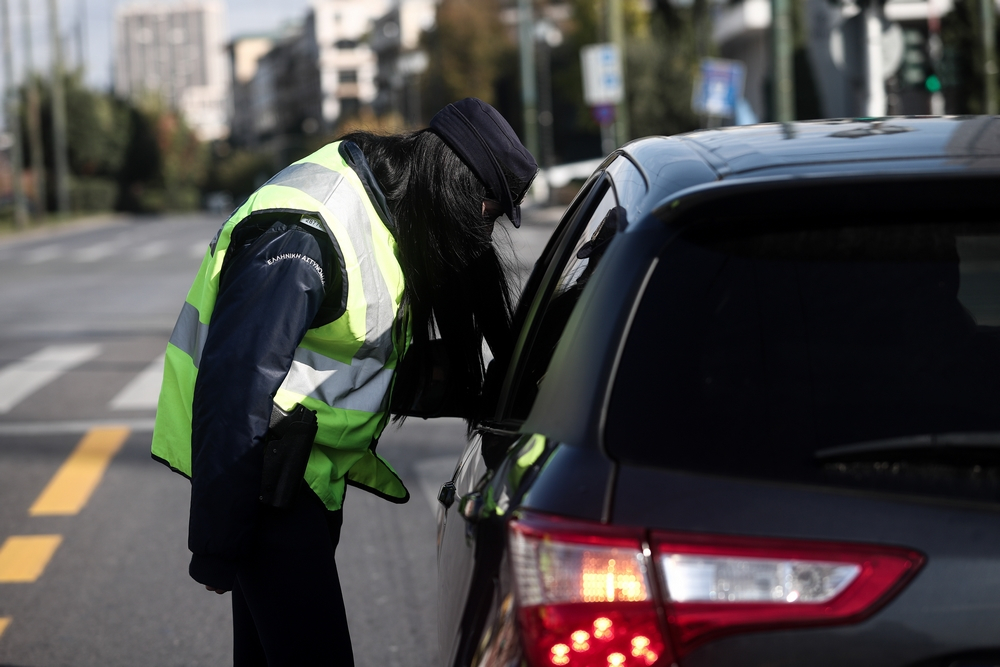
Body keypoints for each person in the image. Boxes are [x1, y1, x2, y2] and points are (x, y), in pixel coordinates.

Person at [151, 98, 538, 666]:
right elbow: (234, 388)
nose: (483, 225)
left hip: (302, 477)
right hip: (264, 484)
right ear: (453, 184)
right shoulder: (309, 232)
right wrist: (216, 546)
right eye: (485, 207)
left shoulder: (391, 207)